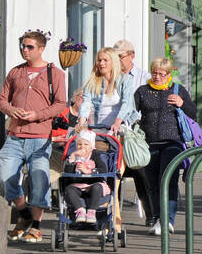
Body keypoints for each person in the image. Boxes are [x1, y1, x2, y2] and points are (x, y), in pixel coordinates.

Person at [0, 31, 70, 243]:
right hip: (15, 135)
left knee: (39, 178)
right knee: (4, 173)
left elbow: (60, 104)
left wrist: (37, 115)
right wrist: (12, 111)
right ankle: (23, 212)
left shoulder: (54, 73)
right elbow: (2, 100)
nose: (25, 50)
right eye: (22, 46)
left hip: (40, 137)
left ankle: (35, 226)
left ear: (40, 49)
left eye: (29, 47)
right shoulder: (15, 72)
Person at [133, 57, 195, 234]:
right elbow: (131, 111)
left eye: (161, 73)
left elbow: (194, 113)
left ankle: (168, 220)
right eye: (154, 73)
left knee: (168, 180)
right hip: (149, 143)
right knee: (151, 184)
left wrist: (182, 104)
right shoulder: (143, 91)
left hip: (172, 143)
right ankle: (157, 219)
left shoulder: (177, 90)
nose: (157, 76)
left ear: (169, 74)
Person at [112, 39, 147, 219]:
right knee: (112, 169)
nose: (118, 60)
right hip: (115, 131)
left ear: (132, 55)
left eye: (121, 56)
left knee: (141, 170)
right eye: (115, 57)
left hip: (135, 132)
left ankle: (151, 214)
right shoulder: (111, 77)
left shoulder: (143, 77)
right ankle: (112, 215)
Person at [76, 48, 133, 135]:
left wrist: (117, 123)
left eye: (105, 60)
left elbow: (127, 104)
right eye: (99, 60)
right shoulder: (92, 82)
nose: (101, 63)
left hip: (119, 129)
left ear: (113, 62)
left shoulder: (125, 80)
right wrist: (81, 122)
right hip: (97, 128)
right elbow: (86, 104)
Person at [63, 130, 110, 230]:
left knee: (97, 187)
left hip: (93, 185)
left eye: (86, 144)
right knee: (69, 189)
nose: (82, 147)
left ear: (92, 146)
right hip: (78, 186)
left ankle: (91, 212)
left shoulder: (96, 156)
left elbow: (103, 170)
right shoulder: (73, 157)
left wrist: (89, 171)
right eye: (79, 144)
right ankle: (80, 211)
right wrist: (72, 158)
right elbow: (67, 172)